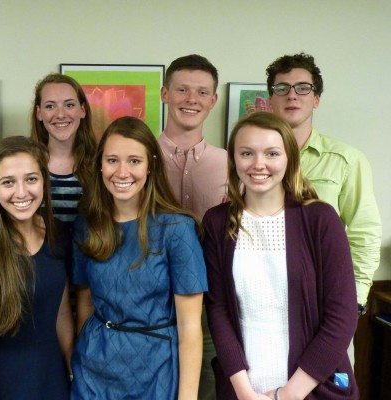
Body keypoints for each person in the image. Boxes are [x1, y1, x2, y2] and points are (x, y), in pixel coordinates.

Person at [203, 111, 358, 399]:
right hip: (243, 388)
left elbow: (342, 317)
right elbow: (218, 311)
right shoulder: (217, 222)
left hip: (312, 389)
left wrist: (287, 395)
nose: (258, 164)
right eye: (247, 153)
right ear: (234, 159)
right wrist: (245, 391)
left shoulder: (320, 219)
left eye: (272, 153)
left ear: (289, 159)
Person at [72, 116, 207, 399]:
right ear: (100, 165)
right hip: (95, 366)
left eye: (134, 161)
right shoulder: (88, 224)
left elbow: (191, 327)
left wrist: (188, 397)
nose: (122, 172)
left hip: (157, 367)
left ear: (150, 166)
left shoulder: (177, 229)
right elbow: (84, 299)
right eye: (112, 160)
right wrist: (82, 353)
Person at [266, 53, 381, 316]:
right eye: (281, 88)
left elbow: (364, 232)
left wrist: (356, 296)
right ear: (271, 100)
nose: (292, 95)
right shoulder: (249, 159)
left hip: (325, 294)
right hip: (265, 293)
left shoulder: (346, 160)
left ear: (316, 99)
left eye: (303, 88)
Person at [0, 136, 74, 399]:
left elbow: (61, 313)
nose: (22, 192)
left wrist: (73, 370)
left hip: (51, 380)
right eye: (8, 182)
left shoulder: (58, 234)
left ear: (44, 181)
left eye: (31, 179)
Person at [158, 54, 227, 399]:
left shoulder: (232, 165)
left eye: (202, 92)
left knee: (204, 389)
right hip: (147, 306)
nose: (191, 99)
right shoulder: (137, 159)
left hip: (210, 305)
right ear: (164, 93)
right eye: (182, 89)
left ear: (213, 101)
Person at [30, 73, 96, 228]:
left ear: (83, 110)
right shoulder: (25, 164)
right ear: (39, 113)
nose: (60, 114)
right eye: (50, 106)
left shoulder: (102, 164)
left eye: (69, 105)